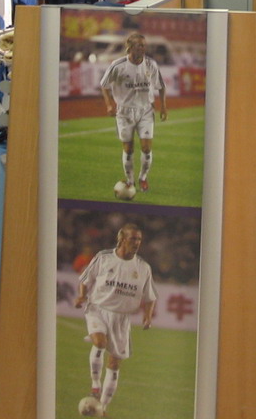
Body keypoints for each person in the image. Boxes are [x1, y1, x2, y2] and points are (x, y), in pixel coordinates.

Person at [74, 224, 157, 415]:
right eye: (132, 238)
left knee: (114, 364)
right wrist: (81, 296)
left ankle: (102, 406)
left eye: (139, 239)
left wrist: (147, 317)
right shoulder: (104, 258)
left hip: (121, 319)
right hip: (98, 309)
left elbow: (150, 297)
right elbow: (85, 280)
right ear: (121, 239)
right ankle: (95, 385)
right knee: (100, 342)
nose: (136, 243)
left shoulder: (143, 268)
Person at [99, 33, 167, 193]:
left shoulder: (151, 64)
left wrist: (163, 106)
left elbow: (161, 86)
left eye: (144, 45)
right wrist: (109, 105)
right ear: (130, 48)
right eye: (139, 45)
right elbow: (104, 85)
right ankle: (130, 181)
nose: (143, 48)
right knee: (128, 149)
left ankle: (143, 178)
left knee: (146, 148)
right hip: (124, 112)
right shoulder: (118, 65)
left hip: (145, 111)